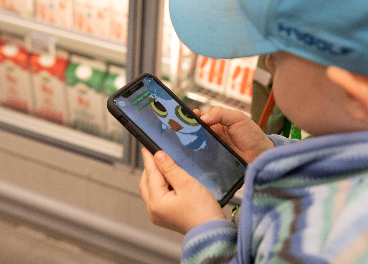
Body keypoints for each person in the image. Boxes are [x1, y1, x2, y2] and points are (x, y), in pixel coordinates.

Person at [139, 0, 368, 263]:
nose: (268, 62)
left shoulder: (322, 245)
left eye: (279, 53)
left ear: (354, 93)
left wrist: (204, 231)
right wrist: (269, 154)